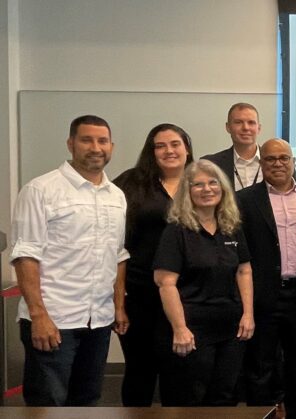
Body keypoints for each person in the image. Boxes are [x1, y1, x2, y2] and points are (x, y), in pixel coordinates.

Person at [11, 115, 129, 406]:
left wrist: (118, 306)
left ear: (111, 146)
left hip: (98, 320)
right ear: (71, 143)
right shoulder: (41, 190)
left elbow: (118, 255)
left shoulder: (116, 196)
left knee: (87, 401)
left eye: (102, 141)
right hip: (54, 320)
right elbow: (26, 255)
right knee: (48, 404)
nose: (96, 147)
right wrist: (39, 316)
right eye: (87, 139)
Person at [237, 139, 296, 418]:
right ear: (261, 163)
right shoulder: (244, 200)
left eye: (284, 158)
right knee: (261, 363)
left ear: (293, 162)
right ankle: (260, 413)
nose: (278, 163)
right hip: (263, 295)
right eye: (270, 159)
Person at [153, 159, 255, 406]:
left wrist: (248, 314)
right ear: (187, 192)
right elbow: (165, 283)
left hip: (232, 327)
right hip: (193, 329)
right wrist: (179, 328)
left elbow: (244, 271)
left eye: (212, 182)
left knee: (225, 394)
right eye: (198, 185)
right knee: (191, 396)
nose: (207, 189)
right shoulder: (176, 231)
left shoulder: (231, 226)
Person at [113, 123, 194, 406]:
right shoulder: (130, 183)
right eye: (160, 145)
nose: (169, 150)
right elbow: (115, 244)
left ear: (187, 148)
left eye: (175, 144)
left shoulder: (202, 182)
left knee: (180, 371)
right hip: (141, 292)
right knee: (140, 369)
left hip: (189, 294)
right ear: (151, 151)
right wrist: (118, 300)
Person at [203, 102, 264, 190]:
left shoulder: (274, 162)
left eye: (251, 122)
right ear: (228, 127)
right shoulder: (210, 164)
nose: (246, 128)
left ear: (259, 128)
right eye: (238, 122)